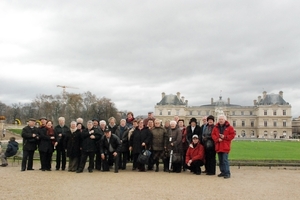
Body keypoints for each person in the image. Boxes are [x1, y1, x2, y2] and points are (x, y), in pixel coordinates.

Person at [212, 114, 235, 179]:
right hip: (218, 146)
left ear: (225, 120)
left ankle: (227, 173)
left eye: (222, 119)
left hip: (225, 146)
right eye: (219, 119)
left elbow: (232, 135)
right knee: (220, 160)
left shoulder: (229, 127)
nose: (220, 120)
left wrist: (225, 137)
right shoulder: (216, 127)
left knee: (225, 160)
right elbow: (213, 135)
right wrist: (217, 139)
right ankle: (223, 172)